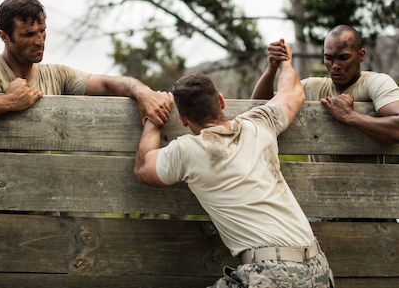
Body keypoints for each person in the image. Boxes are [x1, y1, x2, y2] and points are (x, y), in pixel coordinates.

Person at [134, 44, 334, 287]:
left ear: (183, 119)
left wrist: (154, 117)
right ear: (221, 101)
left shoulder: (187, 150)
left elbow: (144, 166)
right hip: (318, 269)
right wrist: (283, 62)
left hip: (271, 276)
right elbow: (294, 92)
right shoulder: (260, 124)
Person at [0, 0, 172, 128]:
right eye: (29, 34)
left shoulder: (57, 76)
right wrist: (8, 102)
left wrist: (143, 92)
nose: (40, 40)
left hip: (42, 198)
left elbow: (108, 84)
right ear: (4, 36)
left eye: (42, 31)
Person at [251, 25, 399, 162]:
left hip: (367, 190)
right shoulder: (312, 87)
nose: (335, 65)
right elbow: (260, 108)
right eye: (329, 58)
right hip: (317, 191)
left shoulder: (376, 82)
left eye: (343, 58)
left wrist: (350, 116)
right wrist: (272, 68)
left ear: (361, 56)